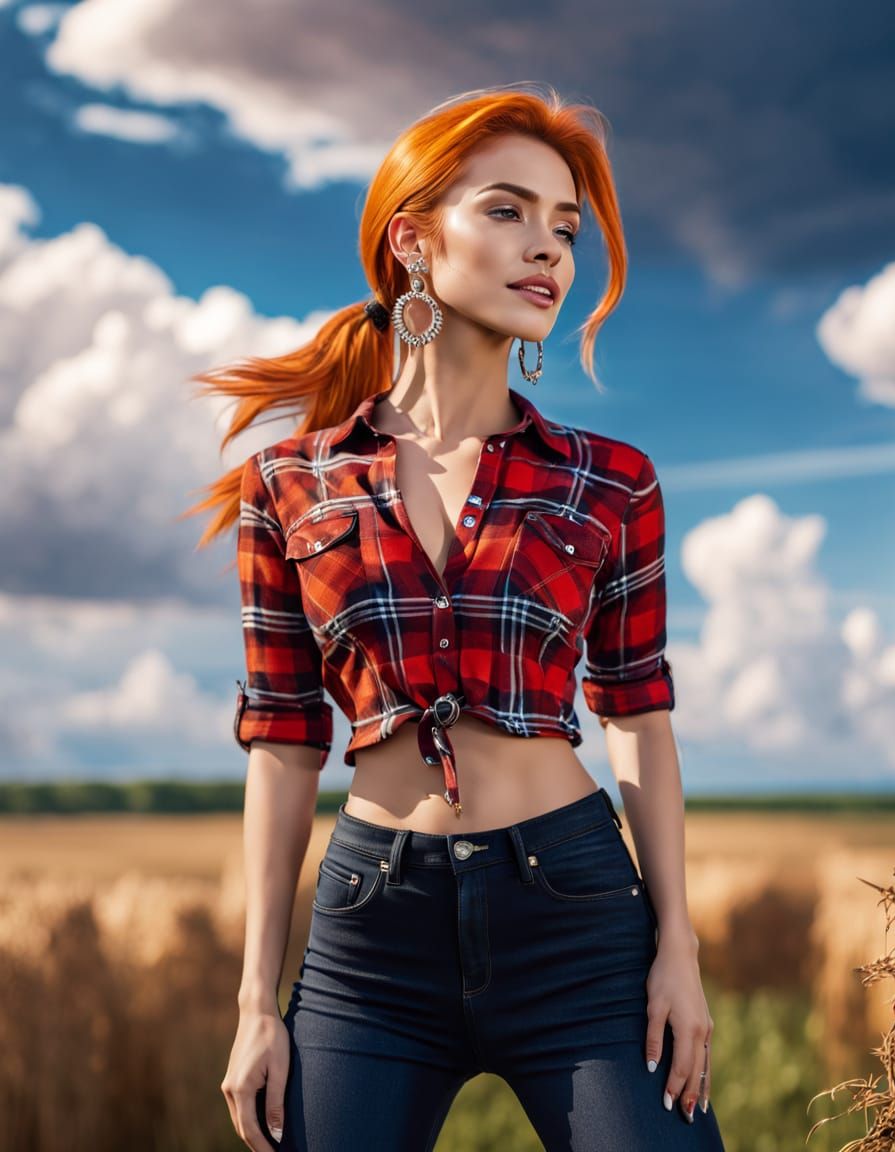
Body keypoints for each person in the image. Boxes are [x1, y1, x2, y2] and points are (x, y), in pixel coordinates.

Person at [190, 82, 726, 1152]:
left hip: (575, 913)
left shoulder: (609, 481)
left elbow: (636, 716)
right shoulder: (288, 484)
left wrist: (677, 948)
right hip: (370, 935)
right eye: (507, 211)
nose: (547, 251)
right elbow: (286, 742)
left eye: (564, 230)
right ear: (412, 242)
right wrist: (259, 1001)